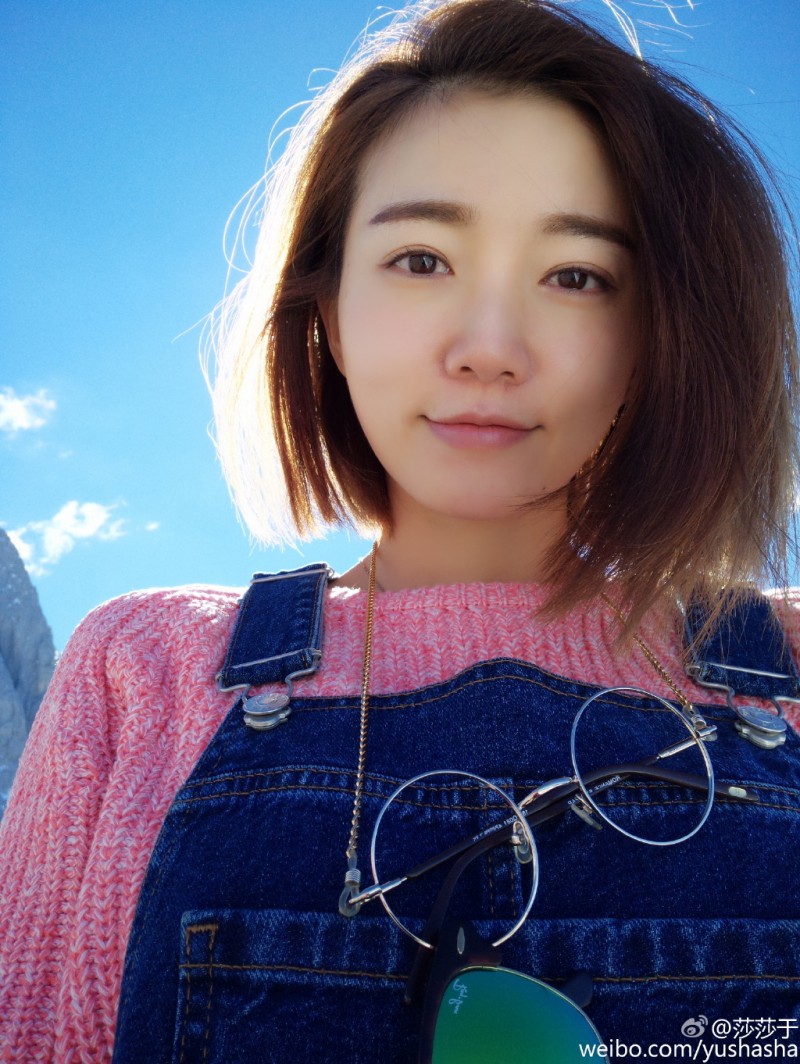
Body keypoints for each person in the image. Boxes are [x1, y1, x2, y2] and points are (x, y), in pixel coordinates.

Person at [2, 0, 799, 1060]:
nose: (489, 346)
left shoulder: (786, 672)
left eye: (576, 276)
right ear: (325, 309)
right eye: (421, 259)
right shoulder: (143, 671)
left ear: (656, 336)